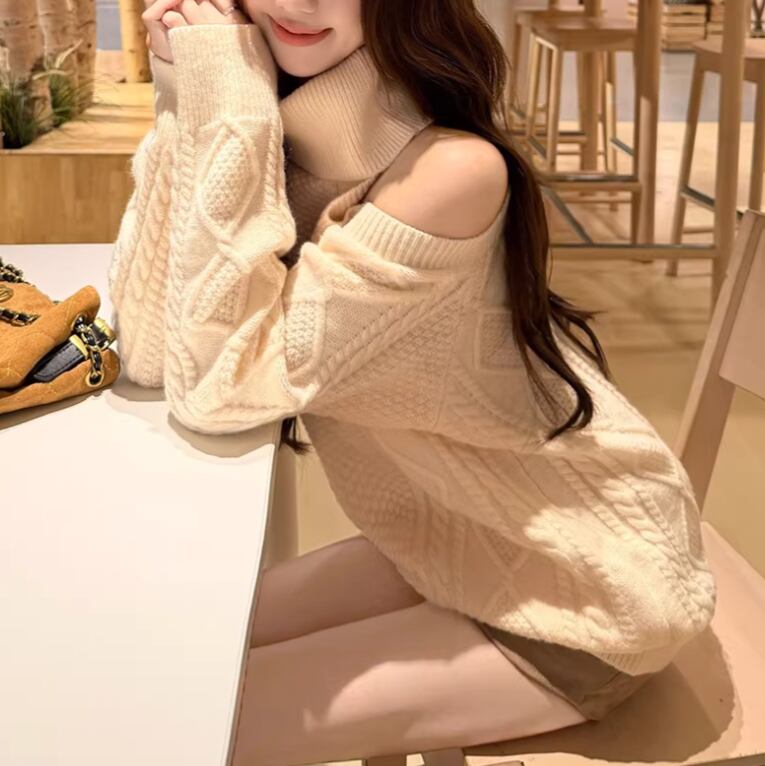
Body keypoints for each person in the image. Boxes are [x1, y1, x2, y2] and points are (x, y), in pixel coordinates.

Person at [108, 1, 718, 763]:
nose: (298, 3)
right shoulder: (279, 128)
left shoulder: (446, 169)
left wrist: (227, 101)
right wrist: (188, 90)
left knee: (159, 729)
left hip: (588, 591)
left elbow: (217, 390)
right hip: (447, 537)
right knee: (147, 652)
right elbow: (152, 352)